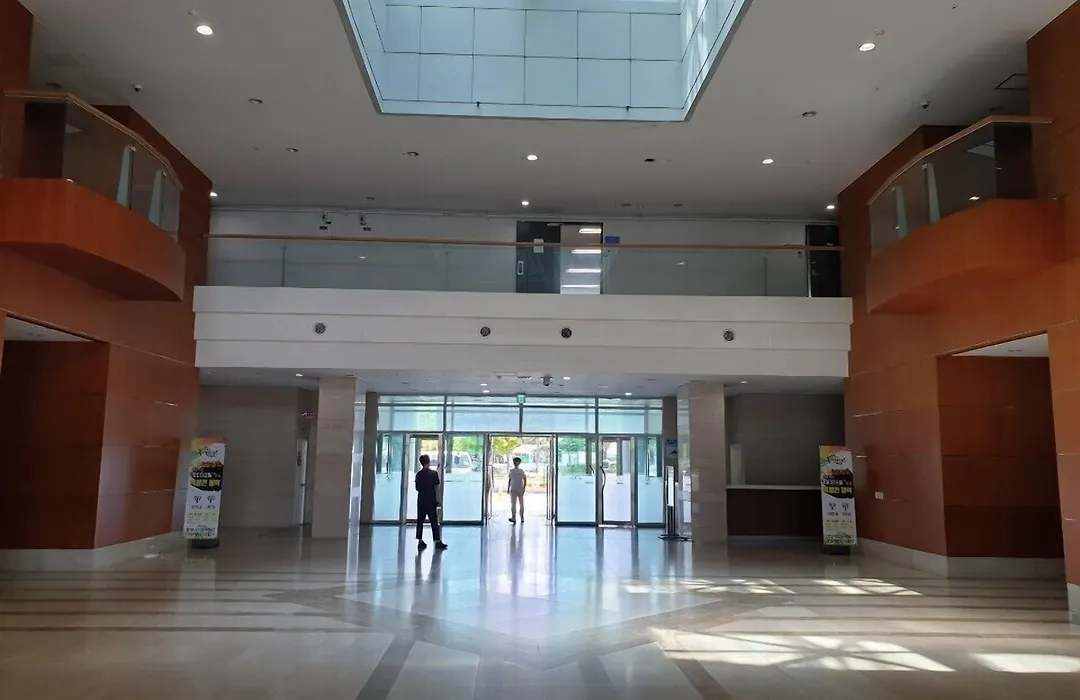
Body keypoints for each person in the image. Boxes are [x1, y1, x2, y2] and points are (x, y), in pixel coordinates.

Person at [415, 454, 447, 550]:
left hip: (421, 500)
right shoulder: (434, 474)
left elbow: (417, 488)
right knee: (434, 521)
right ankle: (437, 540)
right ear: (428, 462)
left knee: (420, 521)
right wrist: (438, 500)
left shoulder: (418, 474)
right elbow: (436, 487)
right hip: (431, 500)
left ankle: (420, 540)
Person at [507, 456, 528, 524]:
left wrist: (524, 487)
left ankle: (517, 517)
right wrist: (524, 487)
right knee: (517, 503)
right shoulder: (518, 471)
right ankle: (518, 517)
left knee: (516, 503)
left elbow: (510, 480)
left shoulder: (514, 471)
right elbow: (524, 479)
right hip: (517, 488)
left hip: (516, 488)